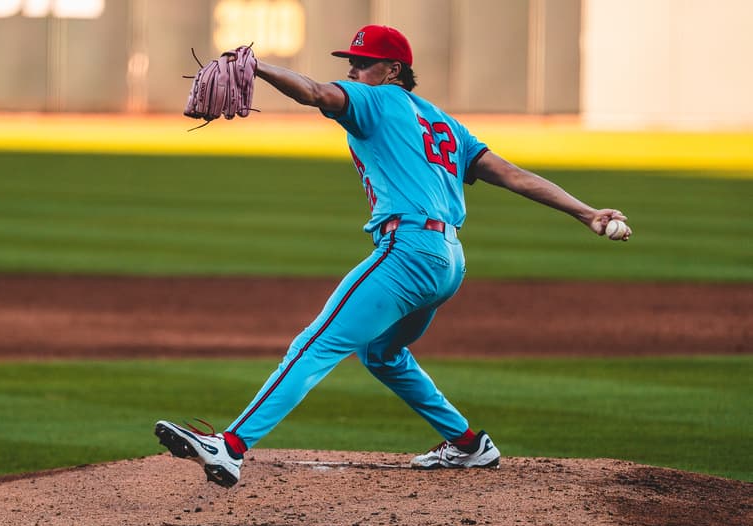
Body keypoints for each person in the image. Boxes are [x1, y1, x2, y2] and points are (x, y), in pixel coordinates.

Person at [155, 25, 632, 488]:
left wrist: (259, 68)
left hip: (408, 253)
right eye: (352, 63)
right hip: (449, 261)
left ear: (393, 70)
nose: (354, 71)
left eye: (364, 63)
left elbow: (316, 92)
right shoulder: (443, 123)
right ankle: (468, 444)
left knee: (315, 343)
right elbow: (512, 174)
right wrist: (586, 212)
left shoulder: (377, 100)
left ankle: (230, 446)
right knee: (381, 354)